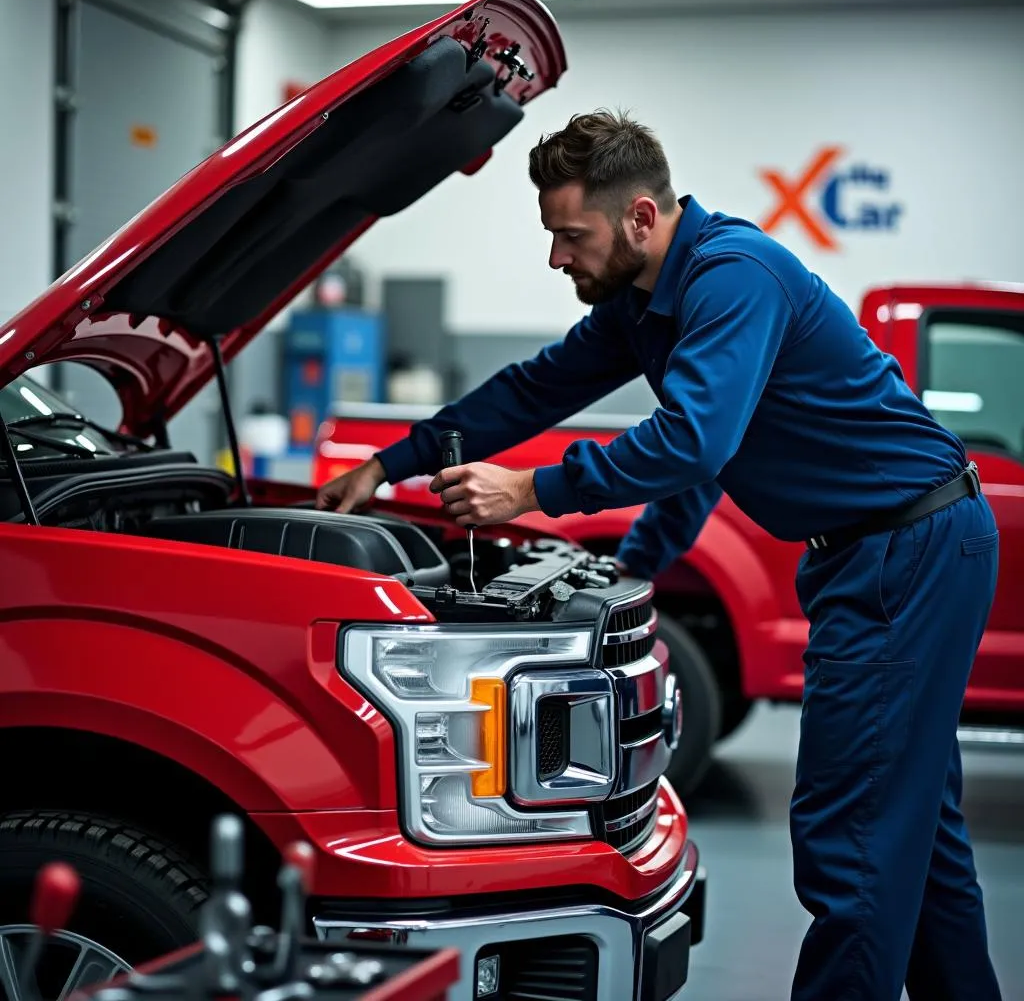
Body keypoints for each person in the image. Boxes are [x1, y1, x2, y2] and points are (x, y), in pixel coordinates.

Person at [315, 109, 1001, 1001]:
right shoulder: (646, 305)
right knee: (920, 835)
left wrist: (534, 492)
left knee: (857, 838)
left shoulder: (732, 277)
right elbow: (539, 389)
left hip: (906, 552)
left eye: (571, 235)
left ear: (641, 217)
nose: (558, 258)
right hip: (879, 552)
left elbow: (694, 443)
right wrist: (389, 463)